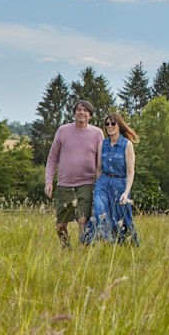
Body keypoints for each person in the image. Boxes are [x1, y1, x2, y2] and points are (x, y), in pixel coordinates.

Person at [45, 100, 104, 248]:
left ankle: (82, 251)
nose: (82, 112)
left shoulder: (97, 133)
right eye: (79, 109)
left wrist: (101, 185)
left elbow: (101, 162)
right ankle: (66, 248)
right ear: (74, 112)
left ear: (90, 114)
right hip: (65, 185)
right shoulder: (63, 131)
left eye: (85, 110)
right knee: (60, 225)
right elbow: (52, 158)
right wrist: (48, 181)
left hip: (87, 183)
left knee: (83, 221)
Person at [83, 113, 140, 245]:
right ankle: (104, 240)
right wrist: (97, 186)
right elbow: (99, 168)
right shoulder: (102, 144)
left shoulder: (127, 145)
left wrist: (126, 193)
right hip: (103, 182)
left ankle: (123, 243)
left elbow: (130, 172)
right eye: (107, 124)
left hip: (120, 183)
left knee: (120, 217)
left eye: (113, 123)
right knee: (99, 209)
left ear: (119, 126)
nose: (109, 126)